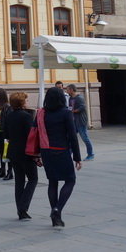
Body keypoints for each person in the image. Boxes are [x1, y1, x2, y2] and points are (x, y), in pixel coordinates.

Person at [37, 87, 82, 227]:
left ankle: (55, 218)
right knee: (70, 180)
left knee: (53, 181)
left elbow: (36, 132)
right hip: (61, 150)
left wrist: (37, 154)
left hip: (46, 151)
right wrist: (77, 157)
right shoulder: (65, 113)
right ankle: (57, 209)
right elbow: (72, 136)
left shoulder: (41, 113)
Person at [4, 91, 38, 220]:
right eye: (26, 100)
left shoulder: (9, 115)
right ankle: (23, 208)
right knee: (33, 179)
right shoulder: (26, 116)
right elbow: (31, 136)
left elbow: (6, 134)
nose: (27, 102)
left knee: (19, 180)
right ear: (22, 102)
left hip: (13, 151)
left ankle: (20, 209)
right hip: (26, 152)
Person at [67, 84, 94, 161]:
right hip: (73, 121)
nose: (67, 91)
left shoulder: (79, 98)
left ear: (72, 90)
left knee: (85, 138)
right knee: (71, 138)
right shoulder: (70, 99)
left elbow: (82, 107)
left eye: (68, 89)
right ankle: (69, 152)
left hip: (80, 121)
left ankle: (90, 154)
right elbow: (70, 107)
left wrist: (73, 111)